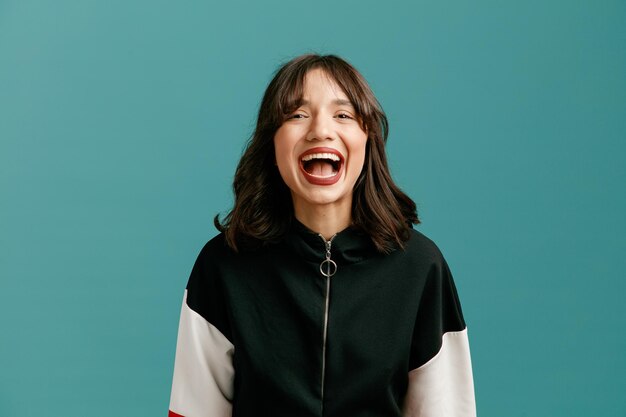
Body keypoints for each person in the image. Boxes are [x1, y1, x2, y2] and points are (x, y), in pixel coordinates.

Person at [168, 54, 476, 417]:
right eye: (297, 114)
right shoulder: (222, 265)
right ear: (272, 143)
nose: (320, 130)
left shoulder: (421, 268)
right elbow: (193, 411)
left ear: (368, 140)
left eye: (343, 115)